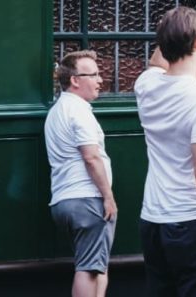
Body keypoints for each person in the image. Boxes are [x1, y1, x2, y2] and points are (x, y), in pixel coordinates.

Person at [136, 7, 196, 296]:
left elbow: (156, 61)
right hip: (193, 220)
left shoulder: (146, 85)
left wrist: (168, 31)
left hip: (152, 220)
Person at [45, 50, 117, 297]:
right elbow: (91, 156)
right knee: (89, 268)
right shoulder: (79, 111)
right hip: (87, 198)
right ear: (75, 80)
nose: (100, 80)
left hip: (64, 199)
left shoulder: (58, 110)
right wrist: (108, 196)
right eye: (93, 74)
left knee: (94, 265)